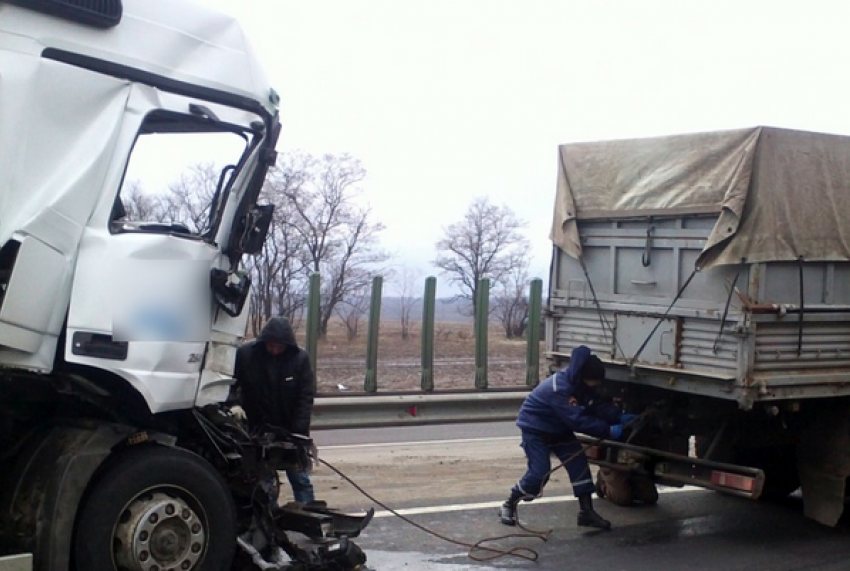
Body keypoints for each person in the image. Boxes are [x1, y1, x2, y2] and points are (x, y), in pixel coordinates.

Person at [499, 345, 636, 530]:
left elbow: (595, 405)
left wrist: (618, 416)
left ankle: (586, 513)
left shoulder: (581, 385)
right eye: (594, 381)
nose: (596, 385)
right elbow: (578, 421)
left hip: (559, 430)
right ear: (584, 377)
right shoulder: (559, 389)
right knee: (539, 473)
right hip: (535, 430)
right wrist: (609, 431)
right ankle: (509, 504)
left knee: (579, 465)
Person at [232, 316, 316, 504]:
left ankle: (309, 510)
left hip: (291, 430)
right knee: (264, 482)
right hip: (257, 431)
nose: (275, 350)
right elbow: (230, 384)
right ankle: (270, 516)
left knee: (300, 478)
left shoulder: (300, 359)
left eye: (280, 347)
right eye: (271, 346)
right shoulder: (246, 355)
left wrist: (299, 432)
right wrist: (234, 404)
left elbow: (305, 398)